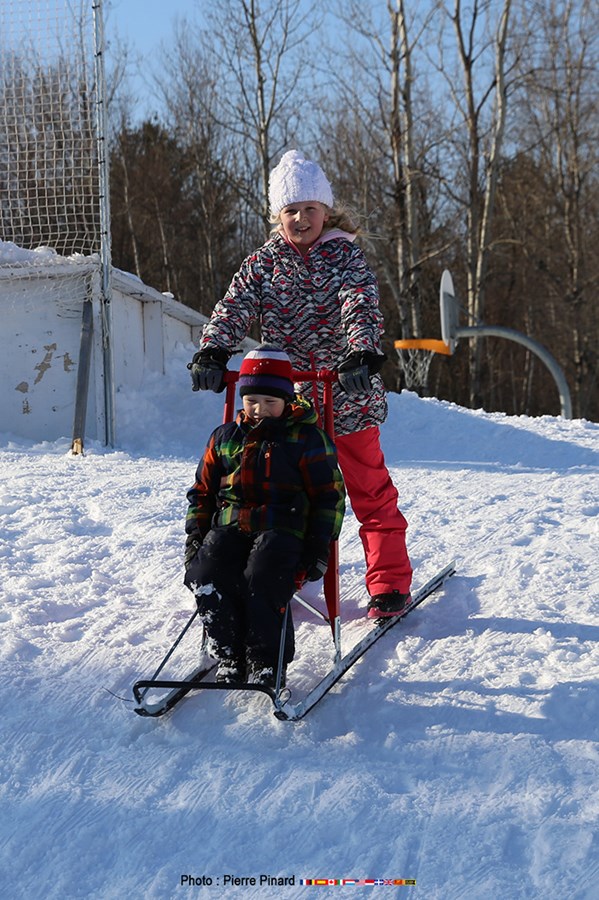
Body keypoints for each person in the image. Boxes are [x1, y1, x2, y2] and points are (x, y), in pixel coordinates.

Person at [189, 149, 413, 618]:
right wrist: (213, 349)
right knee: (281, 492)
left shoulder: (346, 258)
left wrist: (361, 353)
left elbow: (360, 306)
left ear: (325, 211)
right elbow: (234, 306)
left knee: (368, 489)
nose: (301, 218)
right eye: (290, 211)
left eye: (309, 209)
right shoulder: (264, 263)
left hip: (346, 394)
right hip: (286, 406)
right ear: (278, 217)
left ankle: (388, 580)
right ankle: (275, 571)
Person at [184, 343, 345, 687]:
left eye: (270, 402)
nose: (259, 410)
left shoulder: (306, 439)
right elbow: (202, 492)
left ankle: (265, 660)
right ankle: (227, 652)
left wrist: (319, 546)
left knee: (262, 577)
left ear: (287, 401)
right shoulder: (225, 438)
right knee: (206, 573)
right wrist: (195, 537)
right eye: (251, 401)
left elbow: (329, 496)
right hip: (229, 527)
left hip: (284, 529)